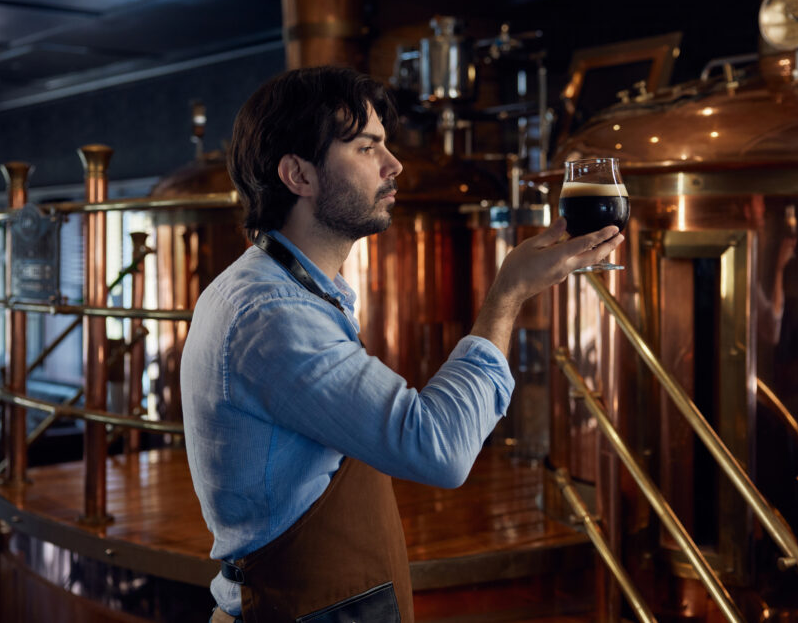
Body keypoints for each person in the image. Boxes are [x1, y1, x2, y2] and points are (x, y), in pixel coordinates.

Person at [181, 66, 624, 623]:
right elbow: (437, 448)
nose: (395, 166)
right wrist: (509, 294)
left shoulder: (290, 289)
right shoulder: (272, 314)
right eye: (367, 149)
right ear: (298, 174)